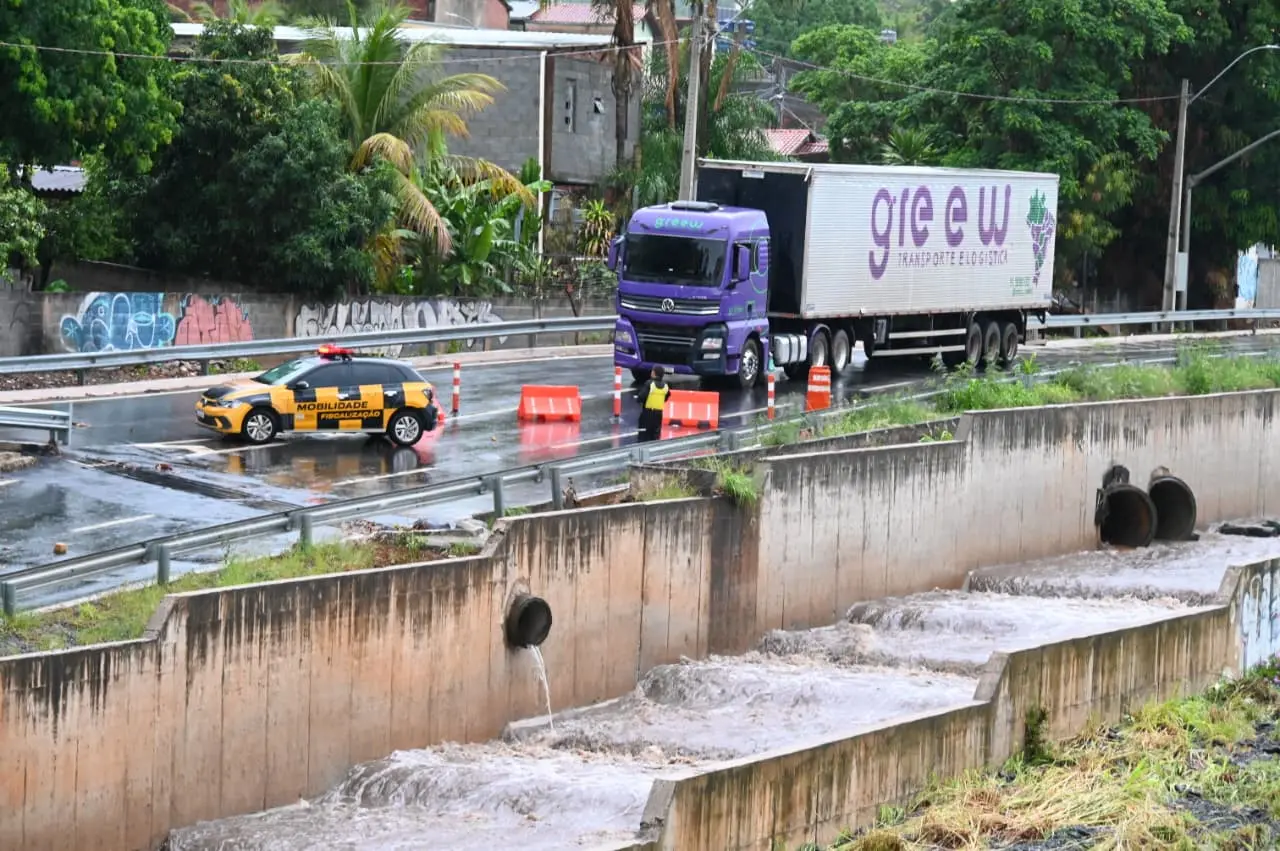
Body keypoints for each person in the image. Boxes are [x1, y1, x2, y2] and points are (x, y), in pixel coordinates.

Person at [635, 366, 670, 442]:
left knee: (643, 436)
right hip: (658, 415)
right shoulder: (665, 386)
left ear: (654, 373)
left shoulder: (650, 384)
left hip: (647, 414)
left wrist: (639, 400)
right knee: (655, 436)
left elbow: (641, 397)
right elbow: (667, 397)